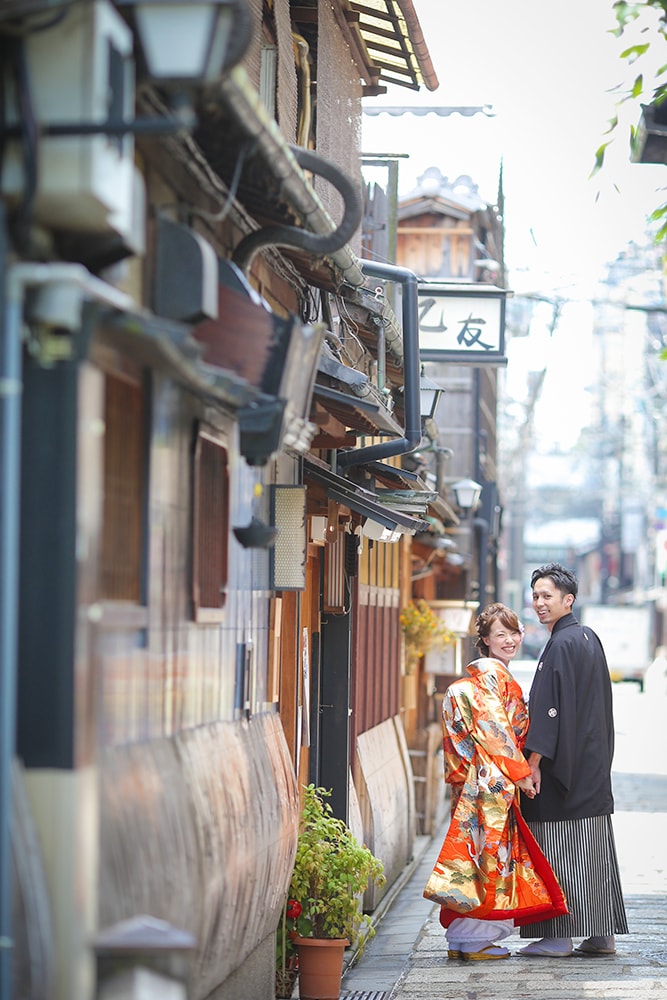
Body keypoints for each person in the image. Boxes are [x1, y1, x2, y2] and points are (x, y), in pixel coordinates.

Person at [424, 603, 568, 962]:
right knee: (492, 862)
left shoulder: (469, 684)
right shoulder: (490, 680)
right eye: (500, 634)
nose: (510, 640)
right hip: (491, 787)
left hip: (474, 785)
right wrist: (522, 775)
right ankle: (474, 940)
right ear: (485, 640)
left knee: (473, 860)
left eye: (514, 632)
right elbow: (497, 732)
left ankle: (463, 939)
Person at [519, 563, 629, 958]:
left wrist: (533, 762)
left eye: (547, 595)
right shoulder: (588, 638)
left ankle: (558, 936)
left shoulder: (562, 644)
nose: (539, 603)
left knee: (558, 849)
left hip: (561, 771)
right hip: (591, 764)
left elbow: (550, 710)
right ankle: (601, 935)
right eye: (535, 596)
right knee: (593, 849)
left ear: (569, 599)